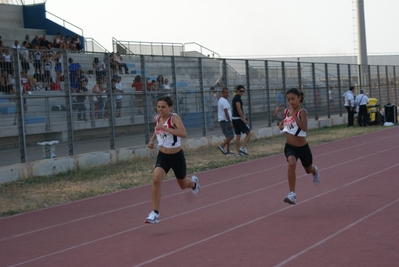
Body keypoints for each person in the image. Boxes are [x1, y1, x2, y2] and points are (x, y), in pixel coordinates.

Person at [145, 96, 200, 224]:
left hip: (176, 156)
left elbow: (183, 133)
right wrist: (152, 140)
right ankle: (155, 213)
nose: (160, 109)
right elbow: (157, 129)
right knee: (156, 180)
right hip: (163, 156)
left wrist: (165, 128)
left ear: (170, 107)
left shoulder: (174, 118)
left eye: (163, 107)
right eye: (158, 107)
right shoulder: (157, 118)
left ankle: (194, 183)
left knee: (183, 185)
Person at [278, 88, 320, 205]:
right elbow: (284, 126)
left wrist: (294, 116)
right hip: (290, 147)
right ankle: (292, 193)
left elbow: (304, 128)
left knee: (308, 169)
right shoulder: (287, 111)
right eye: (288, 100)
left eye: (293, 99)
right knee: (291, 163)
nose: (291, 102)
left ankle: (314, 171)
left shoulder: (302, 112)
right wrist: (281, 125)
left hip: (303, 148)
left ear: (299, 98)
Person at [232, 85, 251, 157]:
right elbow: (239, 109)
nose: (242, 92)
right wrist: (243, 119)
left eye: (243, 91)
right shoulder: (237, 99)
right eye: (240, 91)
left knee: (238, 136)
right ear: (237, 90)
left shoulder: (236, 98)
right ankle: (242, 147)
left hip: (234, 119)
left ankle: (238, 153)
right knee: (249, 133)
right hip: (238, 119)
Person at [217, 87, 234, 155]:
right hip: (225, 120)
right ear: (222, 93)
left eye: (228, 92)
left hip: (223, 120)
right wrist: (230, 122)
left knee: (228, 136)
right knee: (231, 135)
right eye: (225, 92)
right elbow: (226, 112)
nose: (227, 94)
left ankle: (228, 150)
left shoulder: (222, 100)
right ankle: (222, 145)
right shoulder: (223, 101)